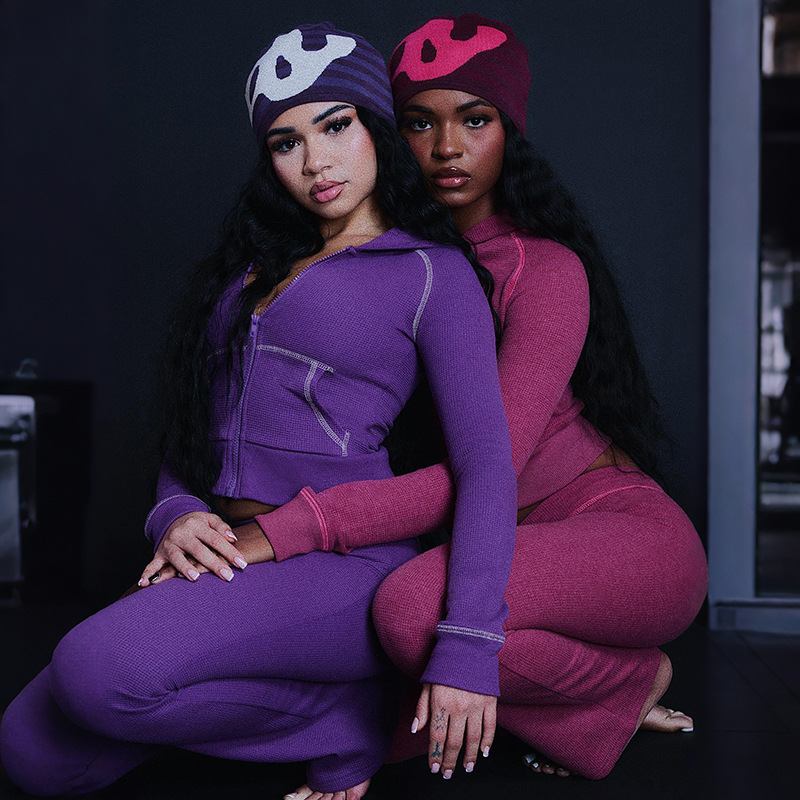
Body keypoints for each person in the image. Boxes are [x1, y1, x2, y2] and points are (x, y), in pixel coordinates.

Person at [0, 23, 517, 800]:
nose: (316, 162)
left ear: (376, 127)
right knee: (33, 752)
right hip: (231, 554)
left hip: (346, 568)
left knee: (93, 671)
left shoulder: (431, 274)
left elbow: (485, 467)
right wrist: (174, 511)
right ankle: (325, 711)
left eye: (335, 126)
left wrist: (470, 646)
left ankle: (341, 727)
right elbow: (195, 426)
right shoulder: (252, 270)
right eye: (286, 142)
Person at [252, 14, 709, 782]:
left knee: (408, 613)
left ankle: (625, 682)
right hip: (489, 552)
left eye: (475, 120)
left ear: (510, 131)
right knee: (365, 658)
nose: (447, 148)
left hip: (626, 538)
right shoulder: (377, 264)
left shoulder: (543, 269)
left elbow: (483, 471)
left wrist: (286, 529)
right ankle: (611, 693)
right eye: (418, 123)